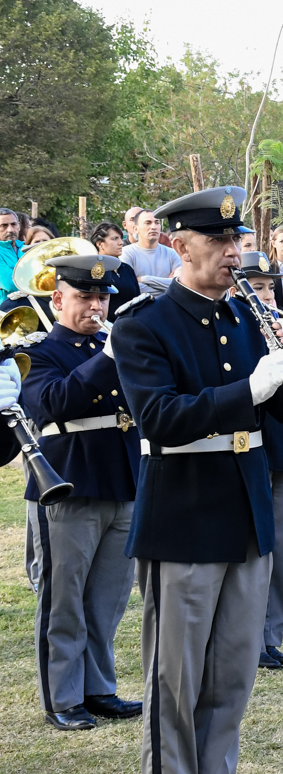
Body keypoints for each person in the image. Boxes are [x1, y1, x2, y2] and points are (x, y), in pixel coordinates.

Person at [112, 186, 283, 774]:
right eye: (218, 240)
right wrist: (250, 389)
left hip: (246, 512)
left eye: (236, 240)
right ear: (178, 246)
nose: (233, 252)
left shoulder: (246, 315)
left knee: (233, 673)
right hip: (185, 516)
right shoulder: (144, 325)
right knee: (175, 681)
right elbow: (160, 419)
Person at [22, 254, 141, 731]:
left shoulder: (116, 342)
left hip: (124, 476)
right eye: (85, 296)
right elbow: (51, 403)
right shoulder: (36, 349)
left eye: (103, 296)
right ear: (57, 299)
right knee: (64, 597)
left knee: (108, 598)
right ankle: (62, 696)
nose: (96, 305)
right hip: (69, 482)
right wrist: (107, 357)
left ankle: (98, 688)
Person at [229, 252, 283, 671]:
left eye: (269, 286)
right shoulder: (234, 332)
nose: (266, 294)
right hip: (251, 446)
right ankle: (248, 635)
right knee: (255, 548)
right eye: (256, 286)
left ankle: (271, 635)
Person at [120, 209, 182, 294]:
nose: (154, 227)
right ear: (136, 229)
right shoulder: (126, 253)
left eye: (157, 222)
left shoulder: (172, 254)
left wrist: (144, 279)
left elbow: (180, 286)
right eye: (148, 223)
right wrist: (167, 285)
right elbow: (130, 287)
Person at [89, 222, 141, 317]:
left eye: (120, 238)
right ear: (100, 244)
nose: (121, 242)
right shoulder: (93, 271)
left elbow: (137, 298)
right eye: (114, 239)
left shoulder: (127, 268)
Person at [0, 207, 25, 295]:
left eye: (13, 224)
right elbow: (10, 284)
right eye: (4, 225)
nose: (10, 230)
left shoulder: (27, 247)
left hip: (33, 305)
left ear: (19, 226)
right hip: (6, 307)